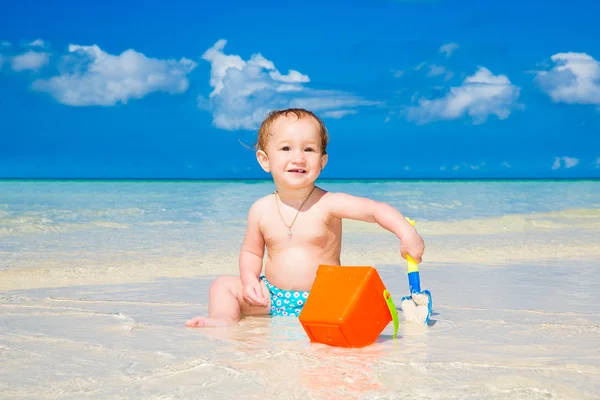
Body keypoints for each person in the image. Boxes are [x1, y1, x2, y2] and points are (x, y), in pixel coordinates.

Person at [186, 108, 424, 327]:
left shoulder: (328, 203)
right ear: (265, 160)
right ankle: (223, 320)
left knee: (362, 302)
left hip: (324, 298)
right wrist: (249, 281)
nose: (298, 157)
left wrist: (406, 233)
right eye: (286, 148)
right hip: (273, 297)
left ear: (322, 162)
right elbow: (251, 252)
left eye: (308, 149)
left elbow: (374, 210)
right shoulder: (260, 209)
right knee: (223, 286)